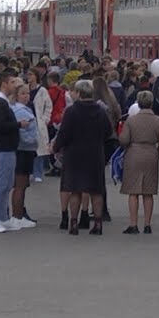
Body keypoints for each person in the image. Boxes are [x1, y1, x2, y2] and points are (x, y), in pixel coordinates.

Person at [53, 79, 114, 236]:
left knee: (75, 190)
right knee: (96, 191)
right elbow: (108, 132)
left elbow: (63, 134)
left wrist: (55, 147)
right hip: (95, 154)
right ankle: (98, 224)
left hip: (74, 155)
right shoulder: (100, 111)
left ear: (79, 93)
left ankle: (74, 223)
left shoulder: (72, 111)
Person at [0, 71, 31, 233]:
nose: (15, 86)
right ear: (4, 84)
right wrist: (18, 125)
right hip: (1, 147)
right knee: (0, 184)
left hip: (7, 148)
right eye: (12, 82)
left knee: (6, 184)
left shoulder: (1, 101)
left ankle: (3, 217)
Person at [119, 90, 159, 234]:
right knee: (148, 191)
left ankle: (133, 224)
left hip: (134, 153)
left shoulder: (131, 120)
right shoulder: (158, 120)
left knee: (133, 191)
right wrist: (156, 154)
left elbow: (124, 140)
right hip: (151, 153)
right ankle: (147, 224)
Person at [10, 83, 39, 225]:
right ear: (16, 95)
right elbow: (22, 132)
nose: (26, 96)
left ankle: (19, 214)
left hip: (25, 150)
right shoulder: (20, 111)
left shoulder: (23, 109)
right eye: (23, 93)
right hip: (23, 150)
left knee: (22, 185)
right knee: (20, 185)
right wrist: (33, 139)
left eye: (28, 93)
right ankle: (17, 216)